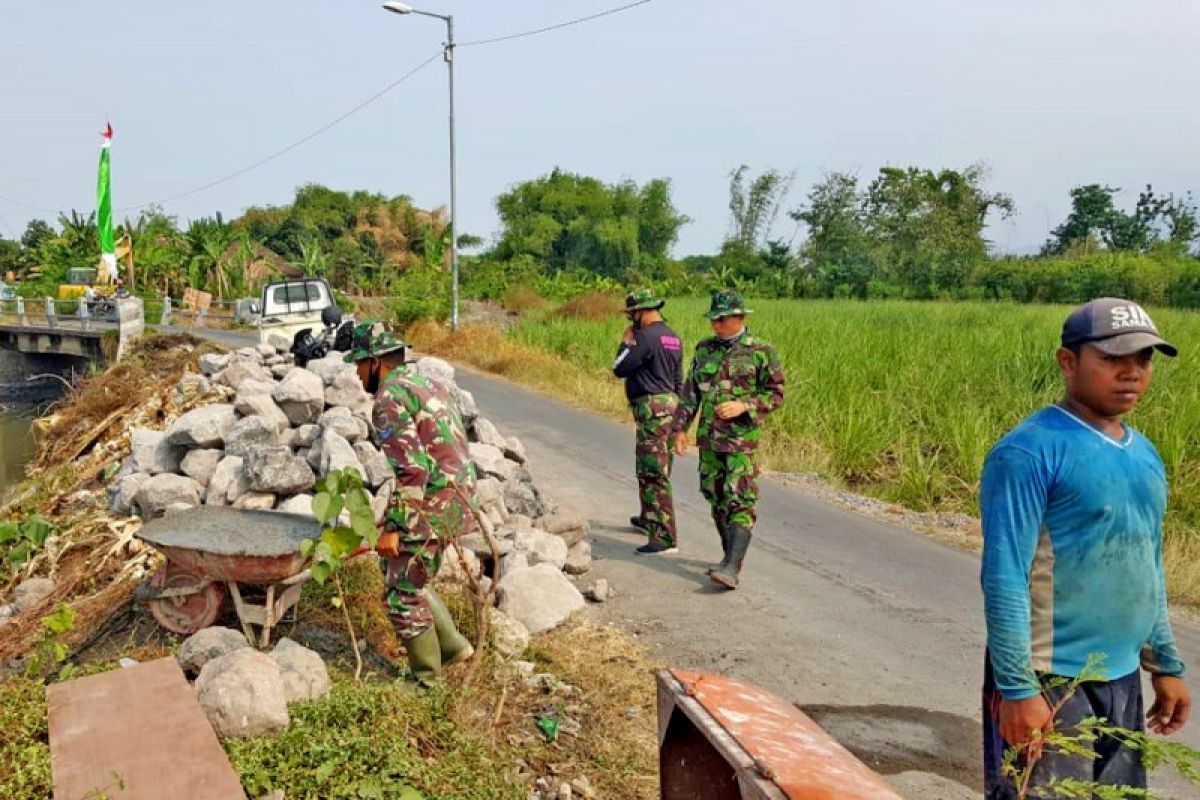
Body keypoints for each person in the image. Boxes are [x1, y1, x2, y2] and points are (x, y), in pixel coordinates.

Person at [980, 298, 1191, 798]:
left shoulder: (1144, 455)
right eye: (1114, 358)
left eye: (1143, 360)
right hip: (1049, 679)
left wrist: (1165, 664)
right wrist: (1017, 689)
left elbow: (1147, 566)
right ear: (1068, 361)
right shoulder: (1029, 451)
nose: (1132, 373)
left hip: (1119, 678)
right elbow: (1004, 575)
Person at [346, 321, 476, 684]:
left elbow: (413, 472)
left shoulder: (388, 399)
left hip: (432, 502)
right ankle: (452, 647)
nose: (357, 375)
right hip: (460, 497)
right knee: (408, 576)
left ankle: (426, 681)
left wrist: (392, 528)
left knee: (401, 594)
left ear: (376, 362)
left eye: (359, 365)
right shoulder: (427, 383)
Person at [672, 290, 784, 589]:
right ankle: (727, 558)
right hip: (709, 440)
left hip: (740, 441)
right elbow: (690, 392)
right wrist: (680, 429)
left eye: (723, 319)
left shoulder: (760, 350)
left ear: (740, 318)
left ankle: (733, 567)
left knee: (740, 498)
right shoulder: (704, 349)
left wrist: (744, 406)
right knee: (715, 495)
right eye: (714, 319)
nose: (717, 325)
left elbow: (775, 393)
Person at [612, 288, 684, 555]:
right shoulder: (673, 337)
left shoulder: (643, 337)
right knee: (658, 466)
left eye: (632, 314)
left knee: (652, 471)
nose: (631, 319)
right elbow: (679, 379)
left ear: (640, 312)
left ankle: (664, 538)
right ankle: (648, 518)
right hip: (671, 406)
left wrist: (626, 342)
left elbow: (619, 368)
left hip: (652, 409)